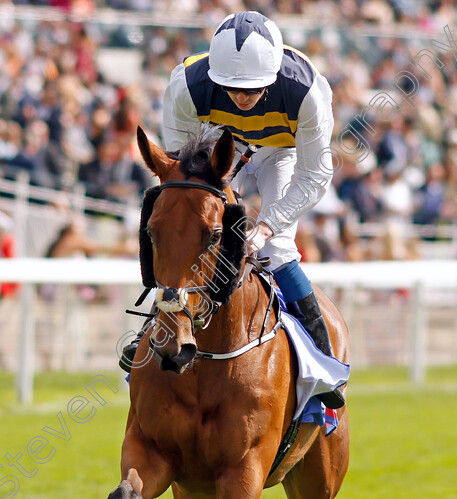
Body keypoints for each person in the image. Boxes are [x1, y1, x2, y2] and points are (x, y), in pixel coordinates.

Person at [124, 11, 344, 408]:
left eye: (254, 88)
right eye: (232, 88)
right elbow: (181, 174)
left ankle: (323, 367)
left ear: (273, 77)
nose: (242, 98)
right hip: (217, 146)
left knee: (275, 250)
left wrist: (266, 226)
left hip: (283, 151)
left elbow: (315, 175)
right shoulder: (187, 85)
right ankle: (151, 335)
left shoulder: (307, 92)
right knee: (189, 230)